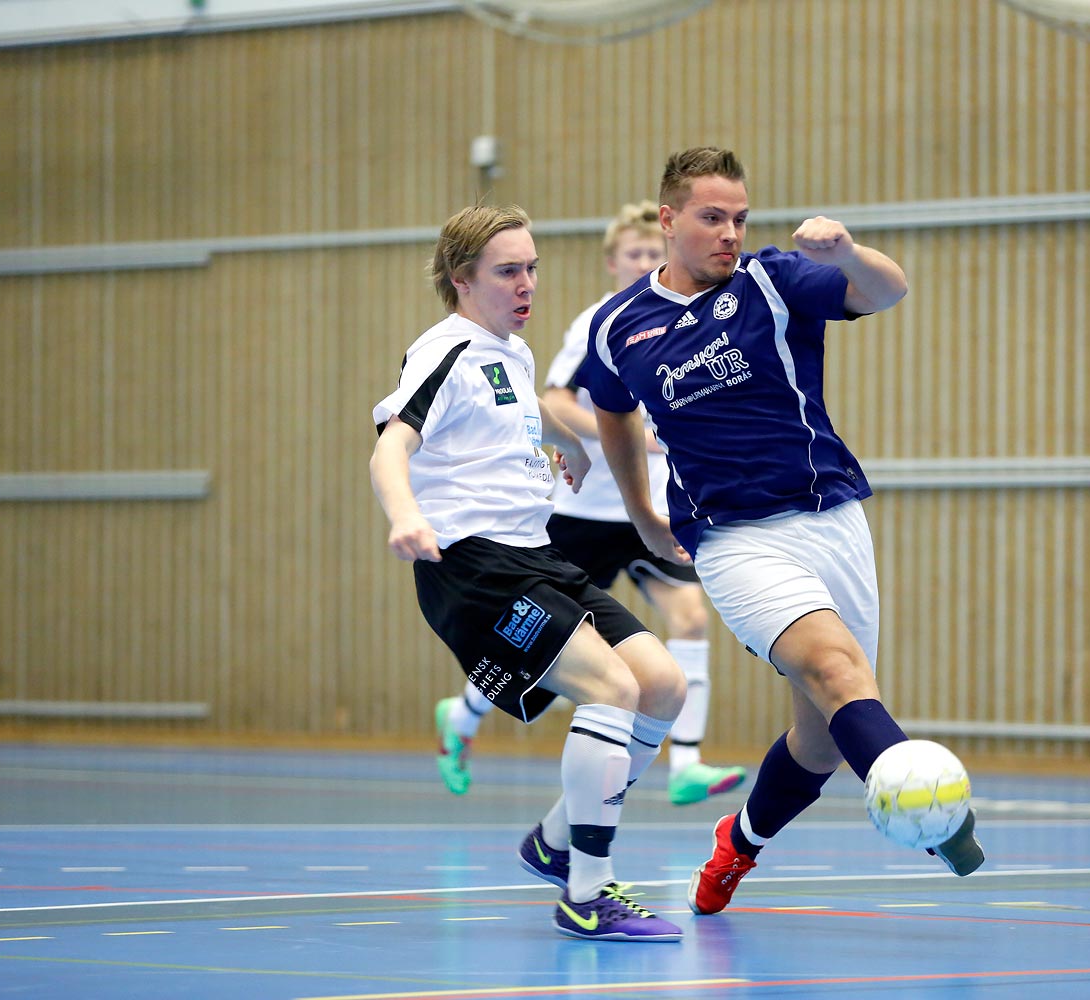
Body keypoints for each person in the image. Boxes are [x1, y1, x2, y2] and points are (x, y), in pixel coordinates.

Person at [576, 147, 986, 917]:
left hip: (832, 520)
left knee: (825, 736)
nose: (730, 233)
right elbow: (610, 411)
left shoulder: (771, 280)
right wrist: (639, 513)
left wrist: (845, 254)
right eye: (711, 218)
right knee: (837, 674)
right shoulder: (618, 326)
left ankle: (740, 841)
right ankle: (932, 812)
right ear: (668, 220)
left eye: (739, 218)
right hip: (733, 542)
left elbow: (887, 290)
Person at [369, 203, 686, 942]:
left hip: (537, 555)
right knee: (612, 690)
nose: (527, 284)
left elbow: (502, 426)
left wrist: (558, 448)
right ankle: (587, 892)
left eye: (533, 268)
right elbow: (391, 446)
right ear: (462, 279)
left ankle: (553, 841)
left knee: (662, 687)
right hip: (474, 568)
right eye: (509, 271)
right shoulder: (442, 351)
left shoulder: (512, 351)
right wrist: (405, 514)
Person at [434, 201, 748, 807]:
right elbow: (555, 398)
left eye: (653, 255)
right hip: (582, 514)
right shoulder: (595, 326)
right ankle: (466, 713)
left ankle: (686, 762)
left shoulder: (679, 327)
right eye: (633, 254)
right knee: (552, 661)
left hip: (643, 514)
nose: (645, 263)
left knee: (689, 618)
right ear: (612, 263)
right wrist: (605, 435)